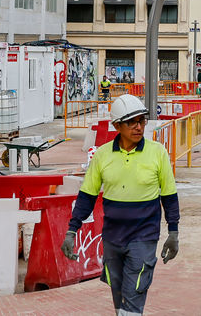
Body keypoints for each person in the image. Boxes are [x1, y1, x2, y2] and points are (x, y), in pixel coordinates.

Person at [64, 94, 179, 316]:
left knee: (135, 288)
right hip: (113, 236)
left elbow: (169, 196)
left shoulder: (157, 152)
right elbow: (87, 195)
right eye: (132, 122)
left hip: (144, 235)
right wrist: (72, 230)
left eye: (142, 121)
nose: (139, 127)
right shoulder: (102, 155)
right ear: (117, 125)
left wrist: (173, 232)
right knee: (117, 290)